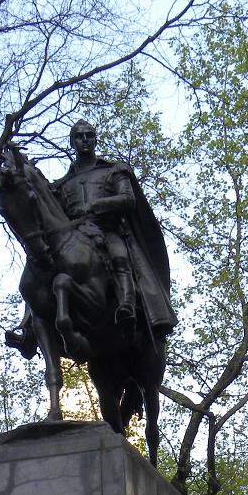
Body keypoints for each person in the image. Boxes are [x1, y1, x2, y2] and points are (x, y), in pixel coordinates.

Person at [51, 120, 176, 339]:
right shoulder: (62, 185)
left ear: (95, 140)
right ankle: (31, 327)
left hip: (107, 229)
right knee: (43, 268)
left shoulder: (113, 171)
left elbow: (128, 199)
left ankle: (128, 305)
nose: (85, 140)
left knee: (119, 256)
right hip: (76, 236)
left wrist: (95, 205)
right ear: (72, 142)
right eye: (79, 136)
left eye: (89, 135)